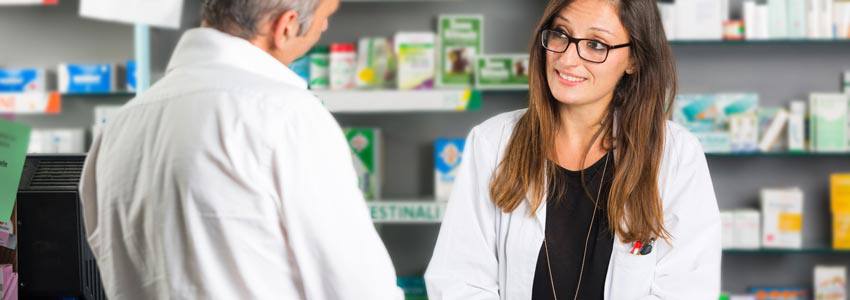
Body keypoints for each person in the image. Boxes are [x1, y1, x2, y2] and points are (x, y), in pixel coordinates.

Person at [79, 0, 403, 299]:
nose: (325, 28)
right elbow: (356, 286)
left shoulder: (119, 125)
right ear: (286, 26)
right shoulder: (285, 114)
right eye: (326, 17)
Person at [425, 0, 721, 299]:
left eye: (595, 44)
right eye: (561, 34)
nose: (566, 59)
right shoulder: (492, 143)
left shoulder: (675, 155)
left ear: (634, 60)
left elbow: (687, 288)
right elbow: (458, 280)